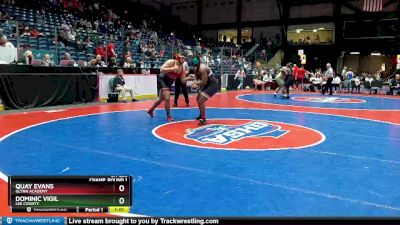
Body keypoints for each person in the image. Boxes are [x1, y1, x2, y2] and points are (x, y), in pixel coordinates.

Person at [147, 53, 193, 121]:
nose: (183, 60)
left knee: (160, 99)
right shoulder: (171, 62)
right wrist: (172, 68)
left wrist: (189, 78)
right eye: (182, 58)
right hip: (162, 79)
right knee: (167, 97)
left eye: (184, 58)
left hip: (169, 83)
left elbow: (183, 81)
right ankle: (168, 115)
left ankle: (150, 110)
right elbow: (161, 69)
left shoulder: (182, 69)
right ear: (178, 58)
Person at [190, 56, 219, 125]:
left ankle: (204, 119)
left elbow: (204, 81)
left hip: (212, 85)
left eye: (195, 62)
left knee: (200, 101)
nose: (194, 64)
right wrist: (196, 83)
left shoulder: (202, 68)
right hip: (206, 85)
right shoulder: (196, 69)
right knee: (198, 98)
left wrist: (196, 84)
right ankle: (201, 114)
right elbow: (198, 80)